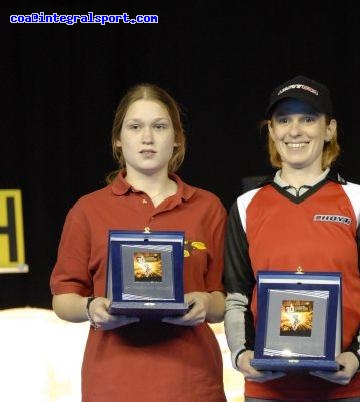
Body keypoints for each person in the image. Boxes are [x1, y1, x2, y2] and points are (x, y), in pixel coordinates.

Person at [223, 75, 360, 401]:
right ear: (272, 131)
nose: (295, 130)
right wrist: (240, 354)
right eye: (284, 120)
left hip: (353, 388)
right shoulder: (246, 206)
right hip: (270, 391)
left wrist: (357, 357)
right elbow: (235, 299)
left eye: (308, 118)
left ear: (329, 129)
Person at [50, 83, 227, 402]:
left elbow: (225, 299)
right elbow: (63, 300)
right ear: (119, 139)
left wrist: (206, 302)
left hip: (192, 385)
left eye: (159, 127)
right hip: (114, 385)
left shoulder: (208, 207)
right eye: (135, 127)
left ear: (177, 139)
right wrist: (92, 307)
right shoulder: (88, 210)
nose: (148, 137)